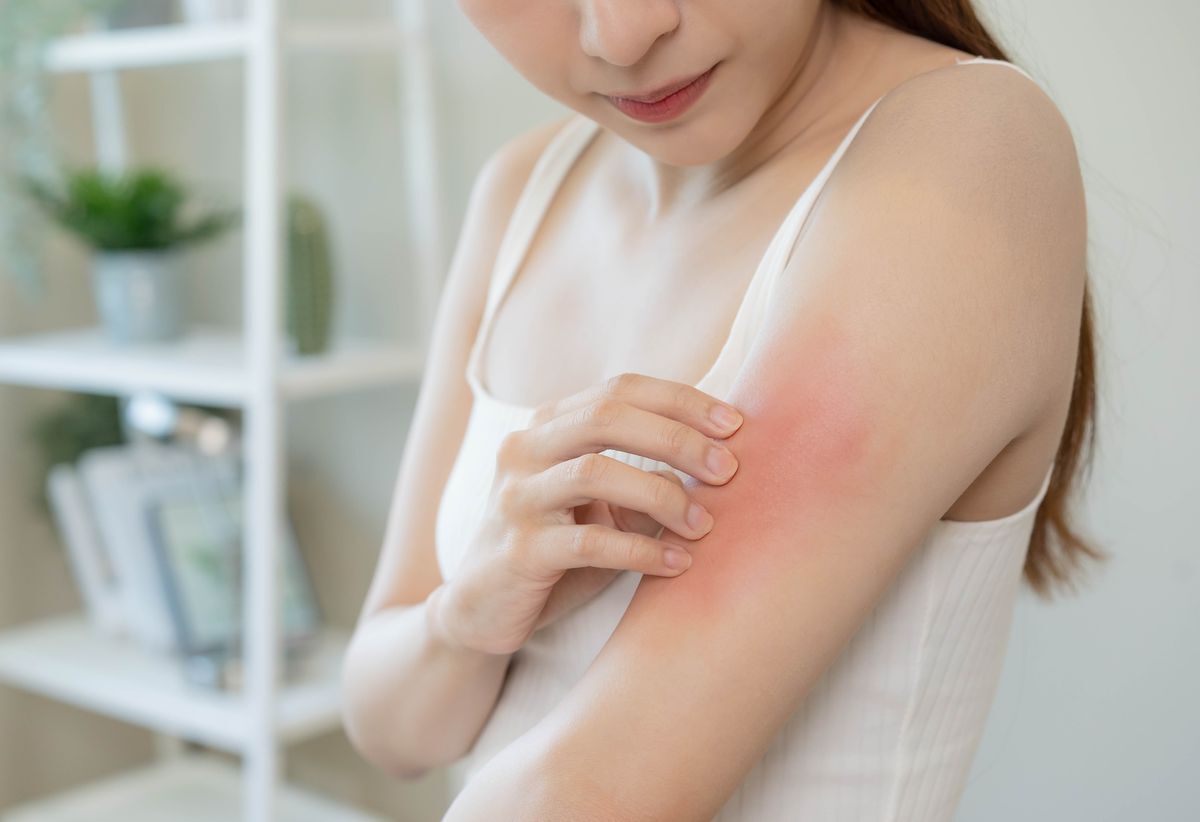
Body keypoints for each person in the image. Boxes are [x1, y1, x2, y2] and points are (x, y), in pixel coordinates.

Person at [341, 1, 1106, 819]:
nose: (622, 36)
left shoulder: (965, 150)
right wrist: (467, 619)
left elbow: (584, 794)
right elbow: (389, 727)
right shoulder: (524, 188)